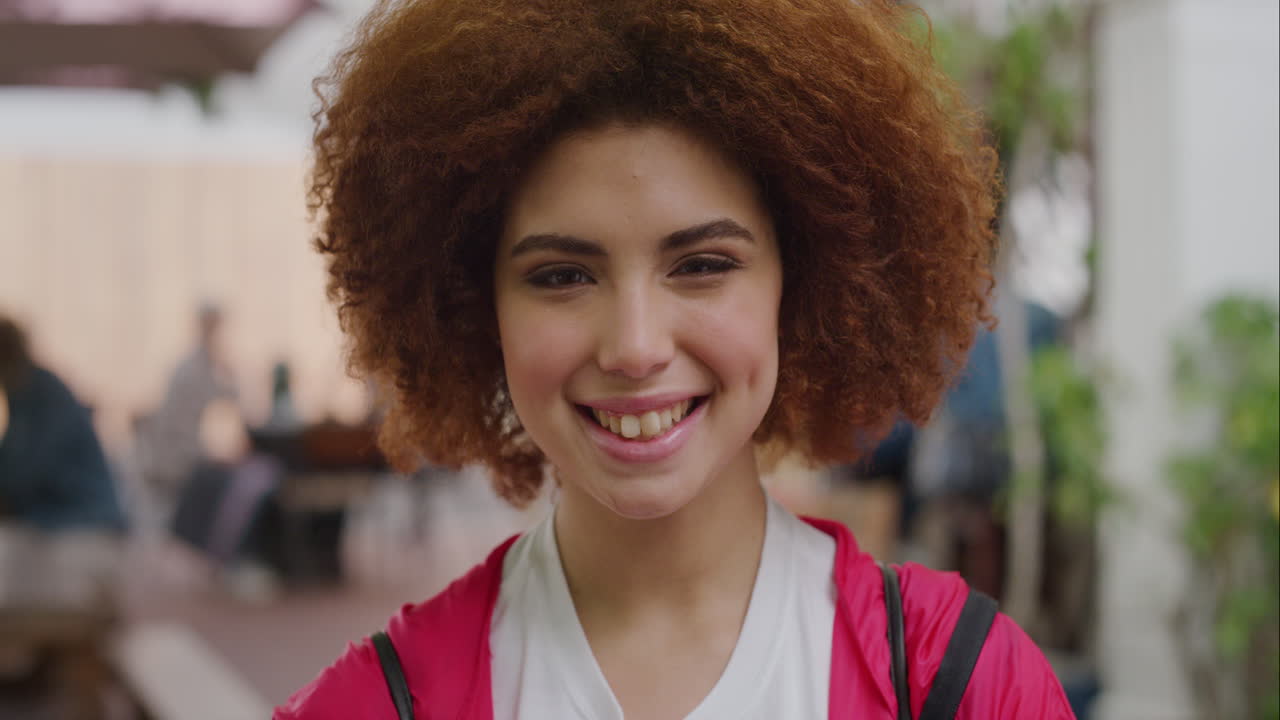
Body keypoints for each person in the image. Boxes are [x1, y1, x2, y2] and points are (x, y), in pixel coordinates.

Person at [277, 0, 1075, 718]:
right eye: (561, 276)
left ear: (800, 284)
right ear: (475, 308)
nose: (634, 347)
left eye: (701, 265)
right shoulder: (379, 705)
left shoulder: (959, 685)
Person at [0, 314, 126, 611]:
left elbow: (26, 474)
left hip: (82, 528)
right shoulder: (23, 394)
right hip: (57, 527)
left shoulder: (42, 392)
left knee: (15, 574)